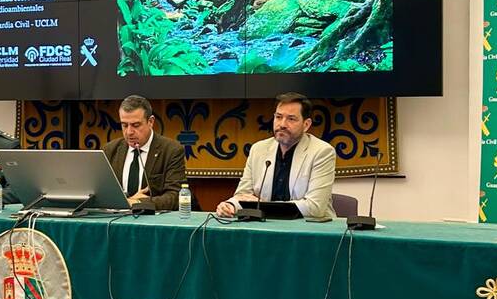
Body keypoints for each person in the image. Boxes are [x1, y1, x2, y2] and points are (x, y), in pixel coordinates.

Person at [216, 93, 335, 221]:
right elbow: (243, 195)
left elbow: (315, 207)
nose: (282, 124)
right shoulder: (258, 150)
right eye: (278, 117)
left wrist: (264, 206)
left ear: (306, 124)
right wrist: (230, 204)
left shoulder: (322, 152)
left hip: (309, 227)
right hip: (265, 226)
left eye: (291, 119)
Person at [103, 95, 187, 211]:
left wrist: (138, 202)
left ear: (150, 122)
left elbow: (176, 196)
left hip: (153, 219)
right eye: (124, 125)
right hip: (116, 219)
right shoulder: (109, 150)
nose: (129, 132)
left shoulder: (171, 150)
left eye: (136, 125)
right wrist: (127, 201)